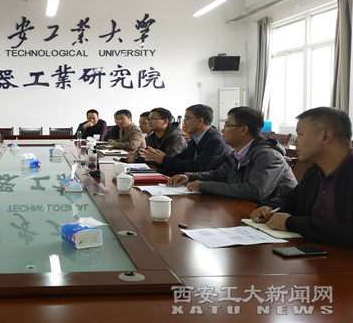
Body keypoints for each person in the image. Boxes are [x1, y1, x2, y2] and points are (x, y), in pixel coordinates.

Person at [250, 107, 353, 247]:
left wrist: (291, 223)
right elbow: (292, 199)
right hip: (315, 253)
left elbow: (348, 232)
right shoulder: (315, 172)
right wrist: (269, 207)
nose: (295, 142)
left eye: (300, 134)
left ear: (325, 137)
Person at [167, 106, 297, 203]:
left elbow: (254, 191)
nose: (223, 130)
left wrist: (203, 186)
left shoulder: (268, 156)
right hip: (248, 210)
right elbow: (217, 174)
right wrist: (188, 177)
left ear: (243, 129)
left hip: (274, 216)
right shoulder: (238, 154)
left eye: (227, 125)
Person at [141, 104, 231, 172]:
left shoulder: (215, 142)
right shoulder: (195, 140)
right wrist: (161, 158)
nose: (184, 123)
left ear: (200, 121)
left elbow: (199, 167)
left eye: (187, 119)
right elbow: (180, 159)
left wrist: (164, 159)